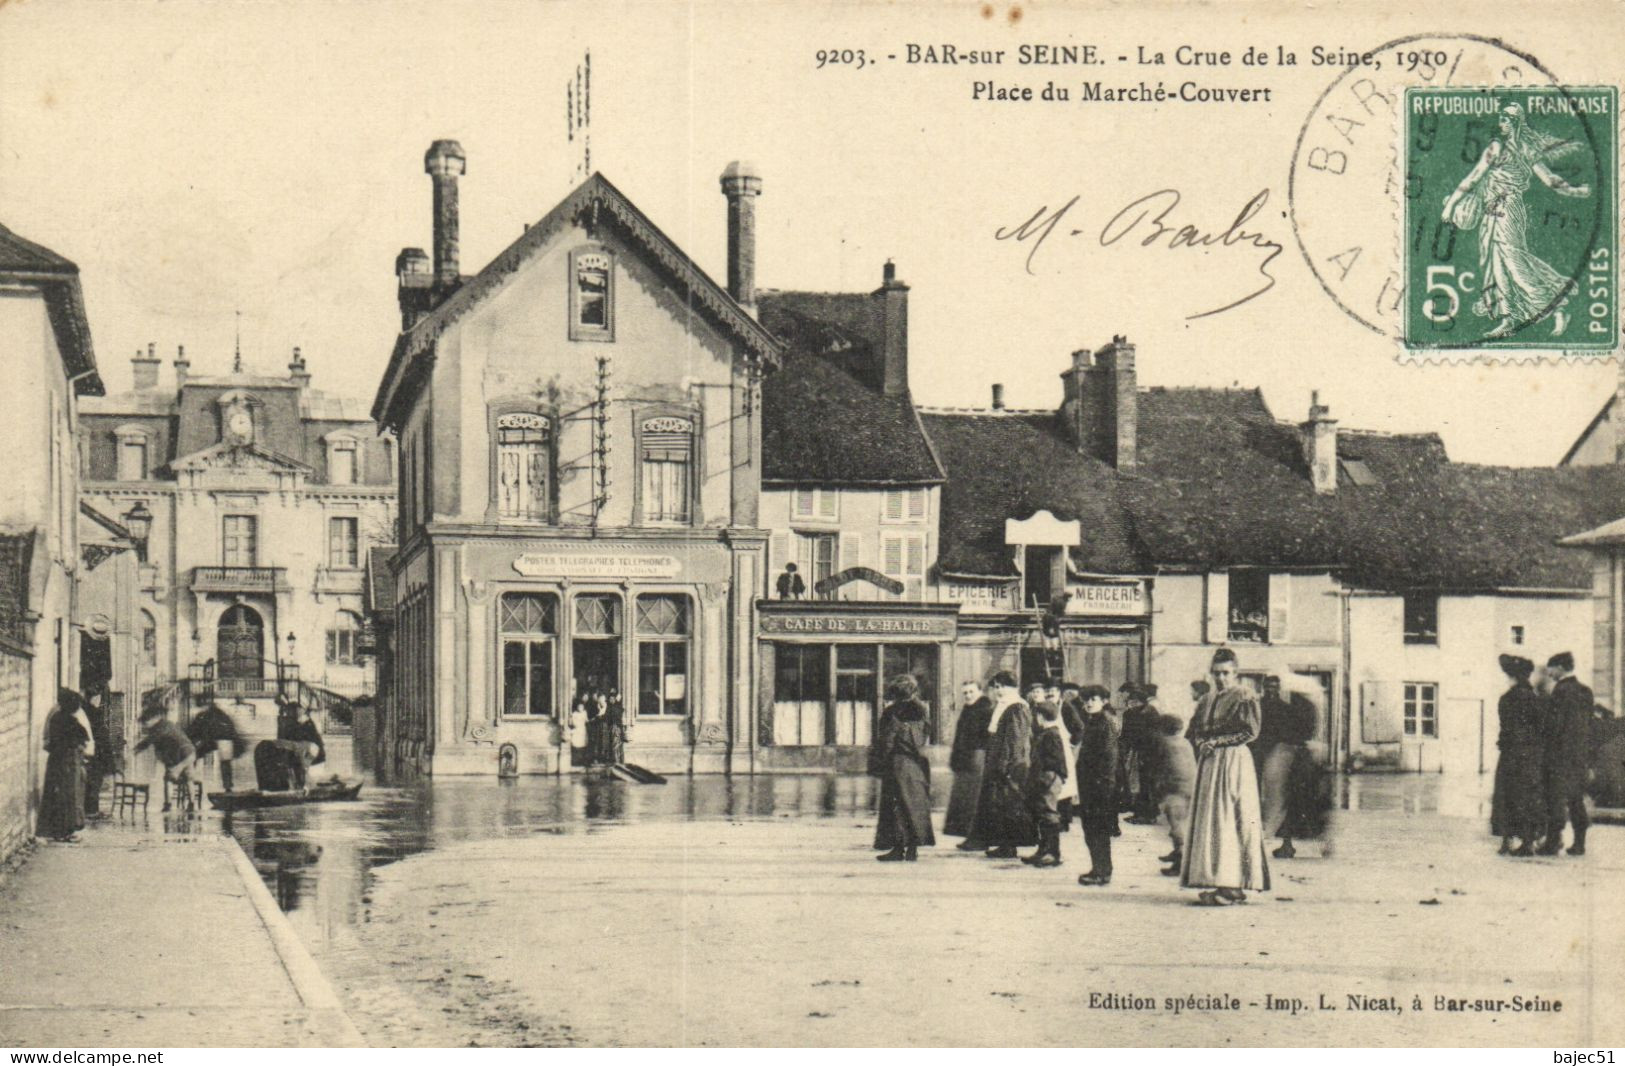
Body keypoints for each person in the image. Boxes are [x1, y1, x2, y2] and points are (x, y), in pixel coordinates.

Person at [1441, 103, 1593, 338]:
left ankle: (1557, 306)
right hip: (1495, 211)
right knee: (1499, 264)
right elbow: (1551, 180)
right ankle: (1509, 318)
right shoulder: (1523, 148)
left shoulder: (1503, 147)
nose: (1500, 124)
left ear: (1513, 123)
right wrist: (1576, 191)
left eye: (1503, 120)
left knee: (1514, 262)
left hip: (1506, 210)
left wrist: (1451, 205)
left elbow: (1474, 177)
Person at [1182, 648, 1270, 906]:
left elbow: (1251, 731)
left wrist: (1217, 742)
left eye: (1226, 673)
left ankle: (1231, 884)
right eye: (1216, 673)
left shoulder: (1244, 695)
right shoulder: (1207, 699)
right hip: (1210, 762)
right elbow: (1195, 729)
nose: (1221, 678)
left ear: (1236, 673)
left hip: (1233, 760)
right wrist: (1201, 741)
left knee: (1229, 818)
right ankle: (1225, 884)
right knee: (1213, 821)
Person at [869, 674, 935, 862]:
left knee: (896, 806)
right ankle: (913, 848)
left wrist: (879, 762)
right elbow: (923, 736)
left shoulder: (892, 712)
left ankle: (898, 848)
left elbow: (886, 740)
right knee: (913, 805)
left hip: (896, 763)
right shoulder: (922, 710)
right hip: (917, 763)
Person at [971, 671, 1037, 858]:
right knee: (999, 805)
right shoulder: (1004, 705)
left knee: (1009, 804)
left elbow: (1015, 740)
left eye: (1002, 686)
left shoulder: (1017, 707)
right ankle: (1003, 844)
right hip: (1000, 762)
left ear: (1013, 687)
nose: (998, 690)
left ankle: (1009, 846)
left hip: (1010, 764)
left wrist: (1006, 765)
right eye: (996, 687)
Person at [1491, 654, 1545, 857]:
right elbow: (1541, 727)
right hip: (1530, 755)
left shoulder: (1507, 698)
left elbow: (1506, 729)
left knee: (1506, 796)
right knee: (1527, 797)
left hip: (1511, 754)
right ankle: (1528, 841)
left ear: (1512, 676)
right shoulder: (1533, 698)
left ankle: (1507, 841)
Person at [1539, 651, 1592, 856]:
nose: (1549, 672)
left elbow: (1554, 727)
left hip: (1559, 756)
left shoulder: (1560, 691)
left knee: (1555, 799)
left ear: (1560, 667)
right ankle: (1579, 843)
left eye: (1550, 668)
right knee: (1576, 799)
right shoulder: (1585, 691)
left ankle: (1553, 842)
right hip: (1579, 755)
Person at [1073, 685, 1120, 886]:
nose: (1089, 703)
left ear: (1104, 701)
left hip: (1100, 786)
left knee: (1098, 829)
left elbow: (1109, 758)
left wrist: (1102, 785)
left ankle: (1102, 872)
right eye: (1086, 700)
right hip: (1089, 785)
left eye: (1094, 699)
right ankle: (1098, 868)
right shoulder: (1092, 722)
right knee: (1091, 829)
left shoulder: (1105, 723)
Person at [1022, 693, 1070, 867]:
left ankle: (1053, 853)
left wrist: (1046, 777)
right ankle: (1043, 851)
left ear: (1040, 716)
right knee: (1042, 815)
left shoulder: (1051, 735)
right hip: (1044, 778)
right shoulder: (1047, 733)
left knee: (1049, 815)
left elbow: (1055, 761)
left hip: (1048, 779)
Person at [38, 689, 92, 842]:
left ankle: (55, 831)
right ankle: (65, 832)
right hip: (67, 762)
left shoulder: (55, 717)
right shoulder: (70, 721)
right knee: (68, 798)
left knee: (55, 796)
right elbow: (84, 737)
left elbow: (50, 741)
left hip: (56, 761)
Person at [944, 680, 992, 848]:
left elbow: (988, 737)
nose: (968, 695)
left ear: (980, 691)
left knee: (974, 801)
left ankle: (977, 838)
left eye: (971, 691)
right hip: (965, 759)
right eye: (965, 693)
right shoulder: (968, 709)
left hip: (977, 758)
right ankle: (969, 835)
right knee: (964, 801)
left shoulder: (986, 709)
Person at [1153, 710, 1197, 876]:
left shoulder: (1163, 743)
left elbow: (1160, 769)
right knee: (1181, 824)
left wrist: (1157, 789)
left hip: (1174, 789)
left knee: (1177, 827)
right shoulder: (1184, 742)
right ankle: (1178, 853)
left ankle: (1180, 861)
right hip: (1190, 787)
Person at [134, 704, 198, 811]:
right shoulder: (167, 724)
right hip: (188, 753)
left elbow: (151, 739)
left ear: (154, 718)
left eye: (146, 722)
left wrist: (138, 748)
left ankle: (169, 805)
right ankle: (190, 804)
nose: (145, 725)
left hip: (181, 755)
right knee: (187, 779)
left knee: (171, 779)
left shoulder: (160, 727)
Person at [186, 698, 245, 791]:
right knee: (225, 762)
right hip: (224, 739)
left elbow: (193, 730)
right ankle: (228, 786)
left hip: (216, 739)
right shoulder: (222, 715)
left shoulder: (202, 715)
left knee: (195, 753)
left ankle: (191, 775)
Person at [82, 690, 117, 821]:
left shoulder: (83, 712)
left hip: (89, 752)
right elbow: (103, 738)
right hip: (97, 753)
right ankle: (91, 811)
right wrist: (109, 761)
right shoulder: (95, 714)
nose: (99, 701)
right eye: (98, 698)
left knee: (90, 782)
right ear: (94, 698)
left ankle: (90, 810)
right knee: (94, 782)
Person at [569, 697, 590, 767]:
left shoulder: (584, 713)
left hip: (583, 730)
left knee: (583, 745)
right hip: (577, 730)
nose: (580, 708)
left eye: (582, 707)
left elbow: (586, 720)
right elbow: (572, 722)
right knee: (576, 744)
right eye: (579, 707)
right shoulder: (574, 714)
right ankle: (576, 761)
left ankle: (582, 760)